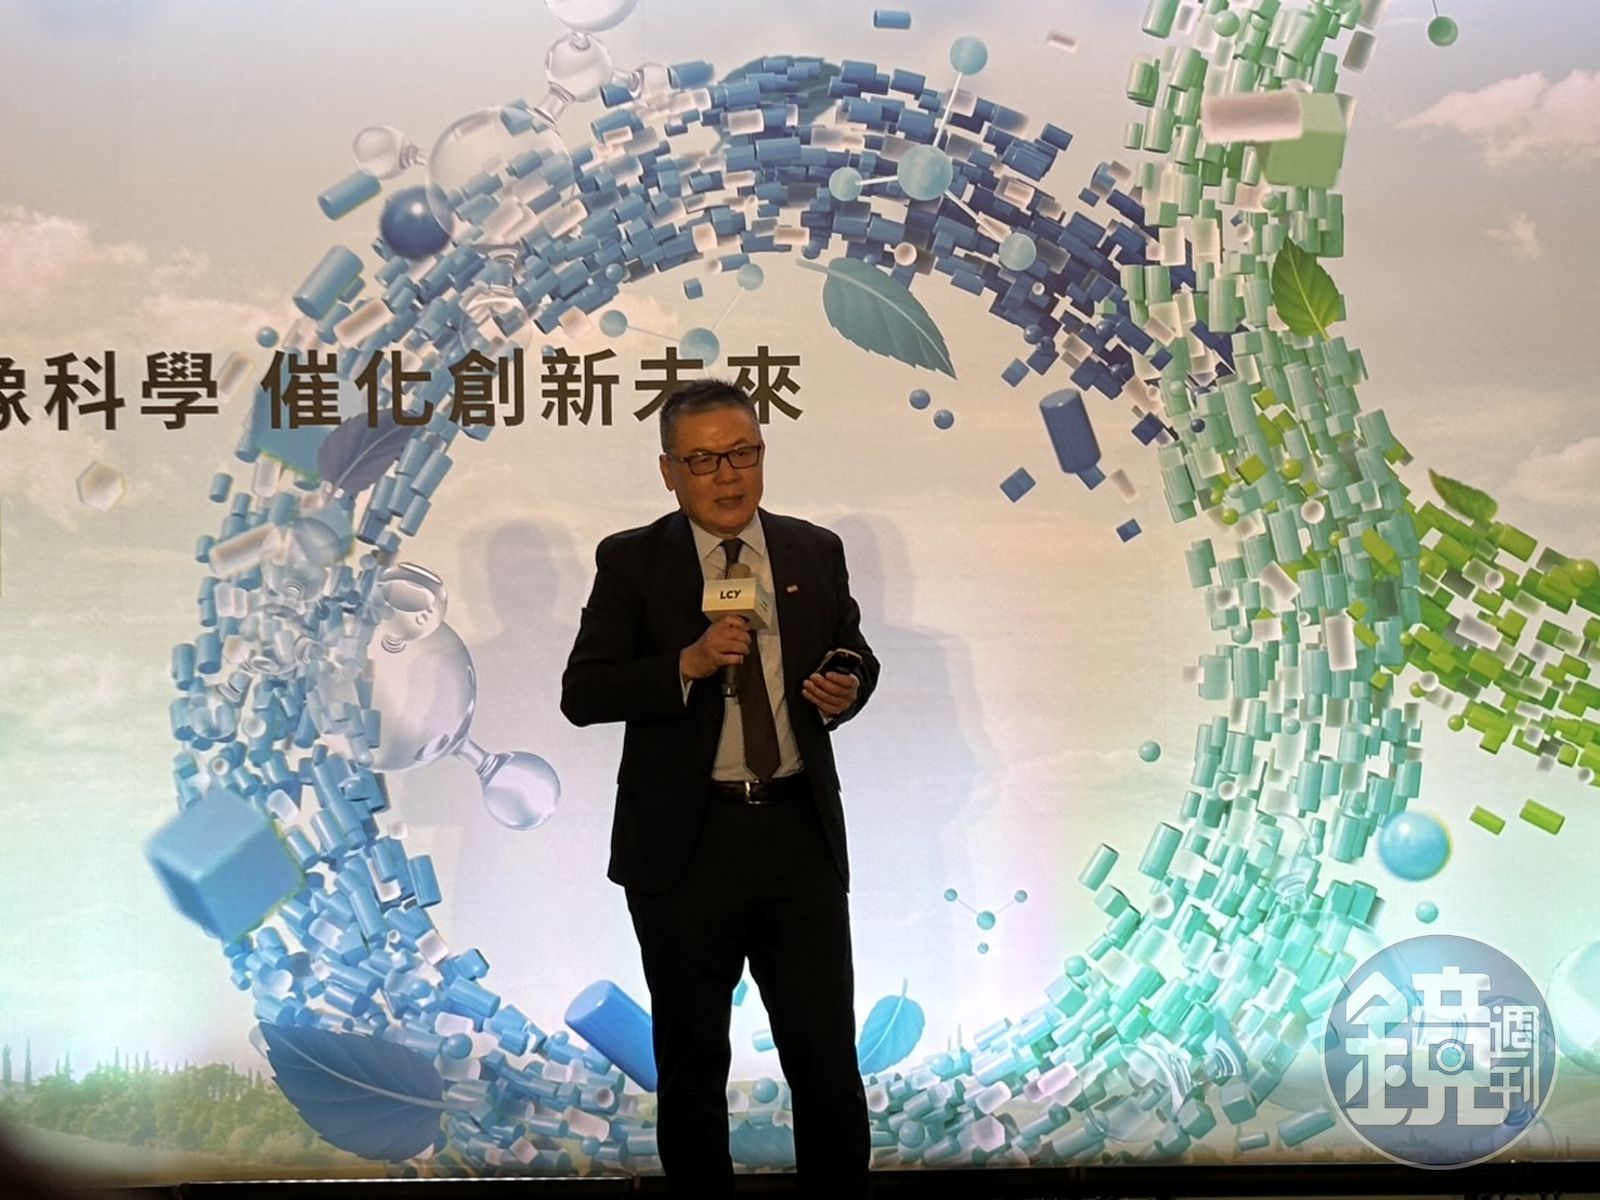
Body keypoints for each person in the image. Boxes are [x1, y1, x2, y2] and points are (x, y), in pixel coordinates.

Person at [560, 376, 879, 1199]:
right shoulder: (632, 562)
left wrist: (846, 683)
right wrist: (688, 663)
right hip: (685, 847)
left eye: (743, 453)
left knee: (825, 1060)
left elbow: (851, 649)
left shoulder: (813, 550)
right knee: (693, 1063)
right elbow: (584, 693)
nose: (728, 475)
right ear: (669, 472)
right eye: (704, 461)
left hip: (797, 838)